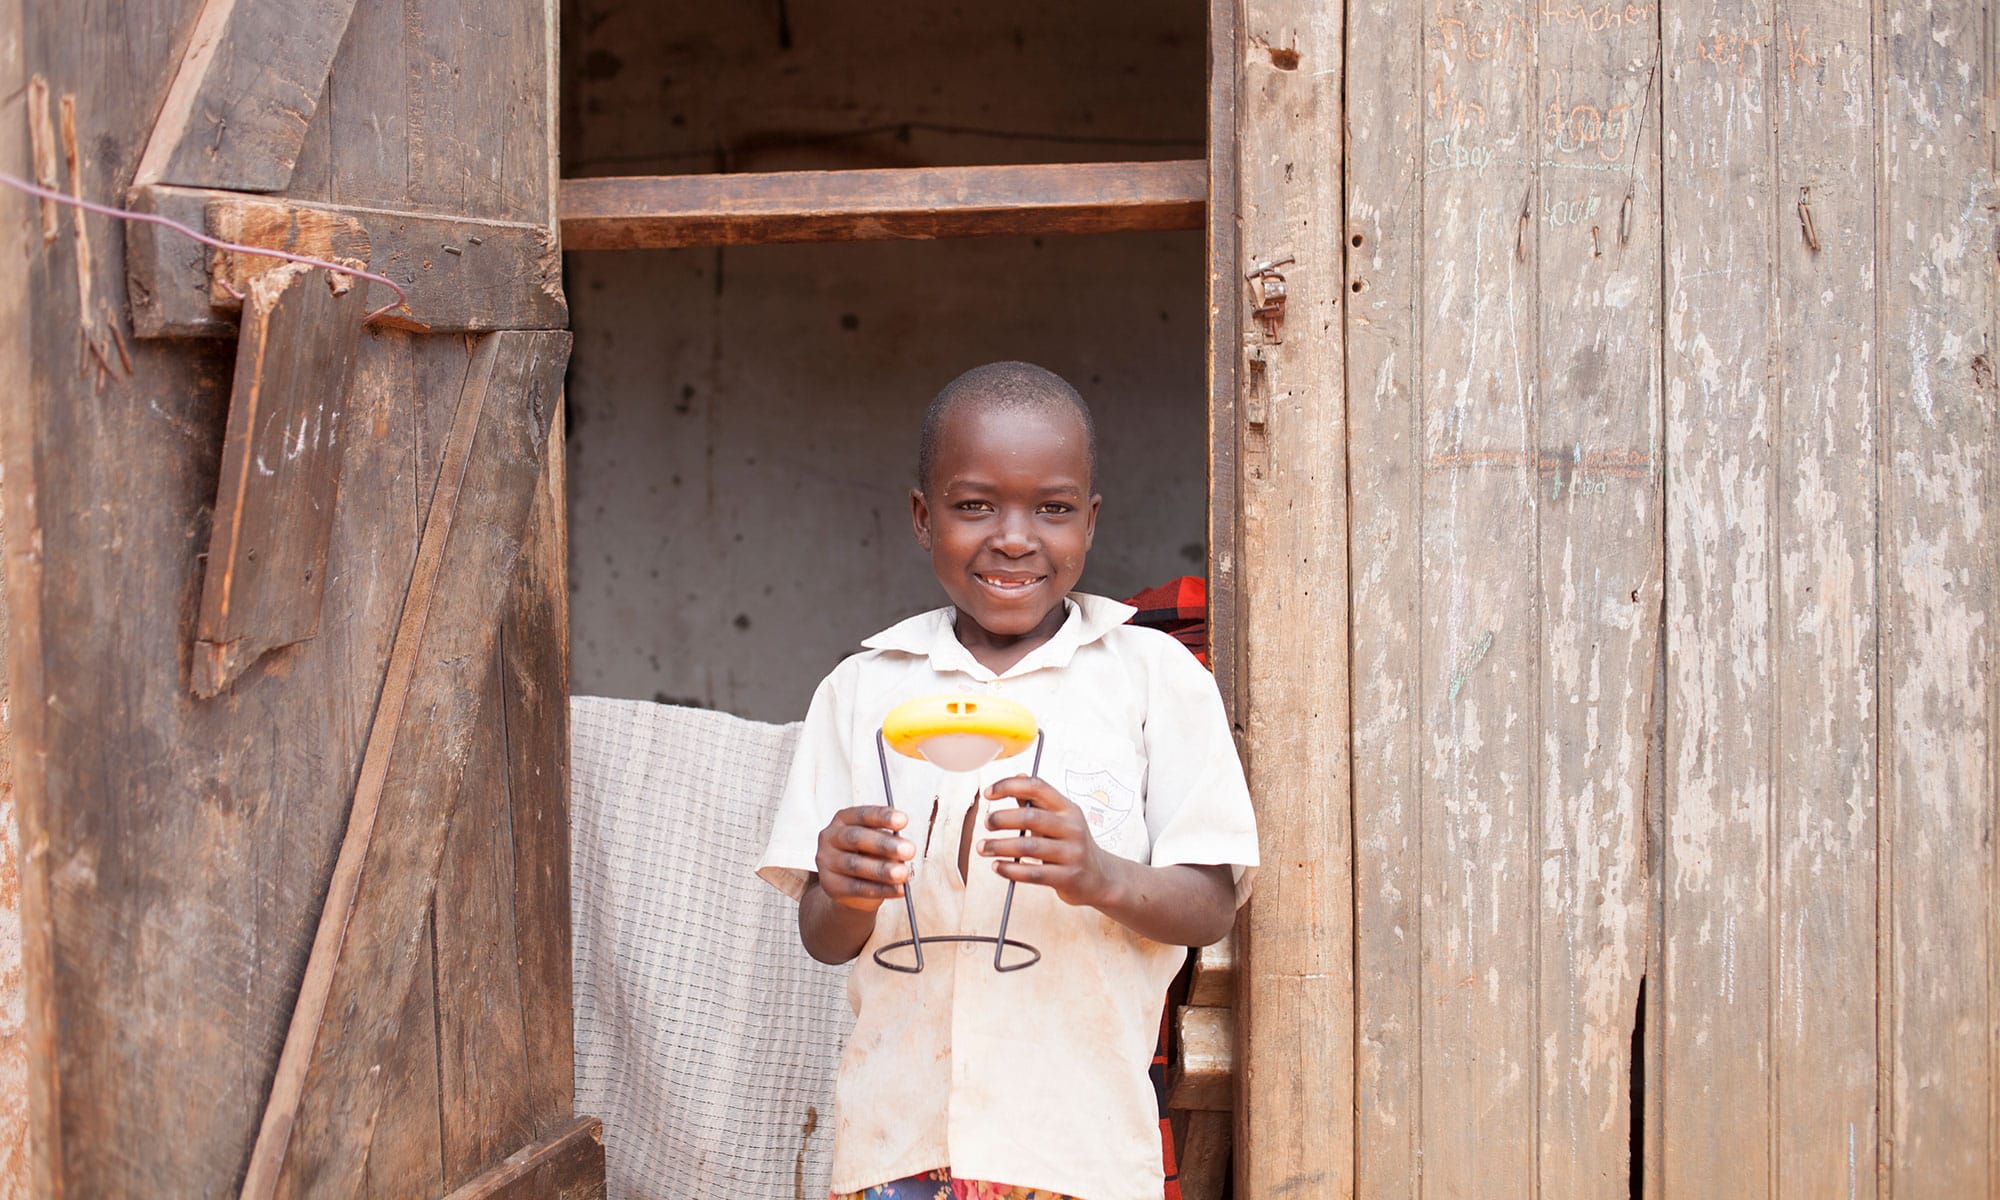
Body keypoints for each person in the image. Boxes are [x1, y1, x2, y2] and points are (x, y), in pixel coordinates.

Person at [756, 361, 1258, 1200]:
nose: (1015, 537)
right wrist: (844, 889)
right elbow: (824, 936)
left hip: (1079, 1144)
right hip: (898, 1138)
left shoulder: (1152, 677)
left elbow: (1209, 901)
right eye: (974, 505)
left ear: (1090, 523)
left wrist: (1100, 875)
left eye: (1052, 509)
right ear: (924, 517)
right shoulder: (865, 688)